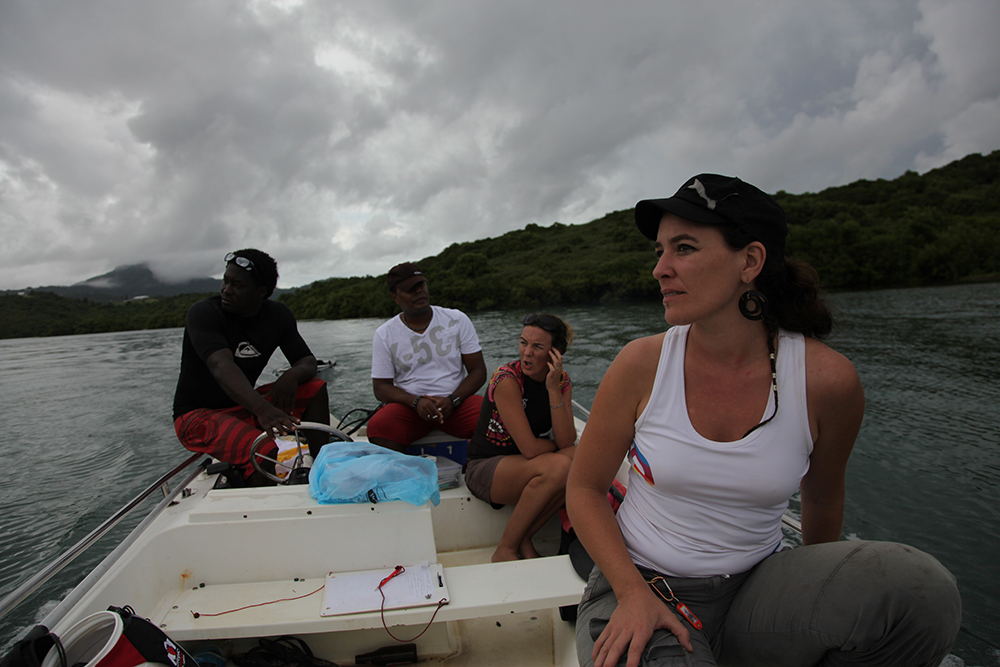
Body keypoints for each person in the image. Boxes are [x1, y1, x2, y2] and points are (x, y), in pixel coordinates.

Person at [566, 175, 961, 667]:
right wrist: (631, 594)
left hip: (758, 593)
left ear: (750, 262)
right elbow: (583, 490)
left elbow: (822, 497)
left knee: (923, 593)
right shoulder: (641, 363)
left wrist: (820, 585)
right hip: (642, 584)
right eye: (660, 251)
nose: (660, 270)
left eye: (683, 248)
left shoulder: (827, 381)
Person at [173, 249, 330, 484]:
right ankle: (262, 503)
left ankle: (322, 469)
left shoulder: (278, 315)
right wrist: (263, 410)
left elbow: (306, 361)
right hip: (196, 415)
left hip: (243, 406)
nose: (226, 290)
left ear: (261, 292)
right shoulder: (205, 313)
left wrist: (291, 375)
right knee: (264, 450)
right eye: (225, 281)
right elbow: (220, 366)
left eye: (237, 285)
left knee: (315, 388)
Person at [465, 314, 577, 562]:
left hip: (524, 466)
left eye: (537, 347)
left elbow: (567, 442)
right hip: (486, 468)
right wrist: (553, 446)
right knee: (560, 465)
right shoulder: (507, 379)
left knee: (577, 458)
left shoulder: (561, 381)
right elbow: (530, 449)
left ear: (555, 353)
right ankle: (505, 549)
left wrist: (552, 389)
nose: (527, 353)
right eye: (523, 342)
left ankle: (524, 537)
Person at [368, 262, 487, 452]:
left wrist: (453, 399)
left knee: (496, 417)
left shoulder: (457, 319)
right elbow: (381, 388)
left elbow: (478, 371)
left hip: (456, 404)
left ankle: (475, 463)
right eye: (410, 289)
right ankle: (405, 469)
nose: (419, 292)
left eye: (421, 285)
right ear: (395, 297)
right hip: (410, 409)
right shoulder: (384, 334)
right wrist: (416, 402)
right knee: (379, 426)